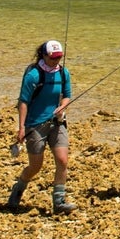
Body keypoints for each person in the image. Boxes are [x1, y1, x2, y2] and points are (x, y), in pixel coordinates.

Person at [9, 39, 75, 215]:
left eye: (59, 57)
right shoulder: (33, 76)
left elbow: (67, 95)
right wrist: (21, 128)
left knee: (62, 160)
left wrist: (63, 106)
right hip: (35, 125)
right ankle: (18, 188)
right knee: (35, 166)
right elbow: (23, 102)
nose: (56, 61)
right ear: (44, 56)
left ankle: (59, 201)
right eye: (53, 57)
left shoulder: (63, 73)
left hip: (57, 123)